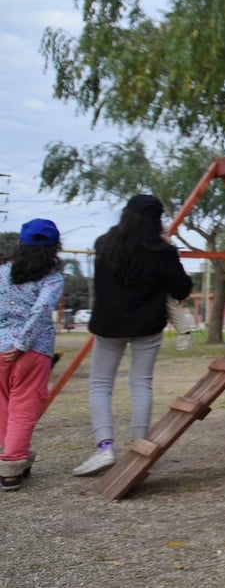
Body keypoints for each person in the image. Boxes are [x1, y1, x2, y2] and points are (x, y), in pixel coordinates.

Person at [73, 195, 193, 477]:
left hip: (108, 325)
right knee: (141, 384)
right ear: (157, 220)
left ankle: (104, 448)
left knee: (100, 385)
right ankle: (139, 446)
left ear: (125, 214)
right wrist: (170, 248)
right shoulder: (161, 251)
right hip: (146, 326)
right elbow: (182, 289)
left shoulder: (104, 244)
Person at [0, 219, 64, 490]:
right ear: (55, 248)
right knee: (24, 407)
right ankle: (12, 465)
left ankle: (7, 453)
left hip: (0, 347)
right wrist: (22, 343)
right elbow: (40, 311)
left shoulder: (2, 273)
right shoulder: (52, 279)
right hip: (33, 352)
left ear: (19, 244)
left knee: (3, 405)